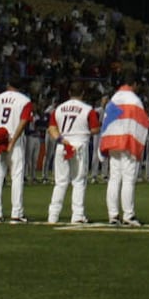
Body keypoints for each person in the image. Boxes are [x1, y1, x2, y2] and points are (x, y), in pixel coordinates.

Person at [46, 83, 100, 225]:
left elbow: (51, 128)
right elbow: (95, 129)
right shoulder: (88, 109)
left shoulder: (58, 109)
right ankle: (77, 215)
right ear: (83, 93)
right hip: (79, 145)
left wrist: (61, 139)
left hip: (62, 145)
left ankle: (53, 215)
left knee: (60, 182)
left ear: (69, 92)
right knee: (78, 181)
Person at [101, 78, 149, 226]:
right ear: (134, 84)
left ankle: (113, 215)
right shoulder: (135, 101)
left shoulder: (113, 100)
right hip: (128, 142)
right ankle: (128, 215)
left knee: (114, 178)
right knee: (128, 180)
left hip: (113, 141)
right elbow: (142, 124)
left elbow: (106, 123)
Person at [0, 78, 35, 224]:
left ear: (8, 85)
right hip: (15, 141)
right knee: (17, 176)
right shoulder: (24, 100)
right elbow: (24, 121)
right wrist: (12, 141)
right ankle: (16, 213)